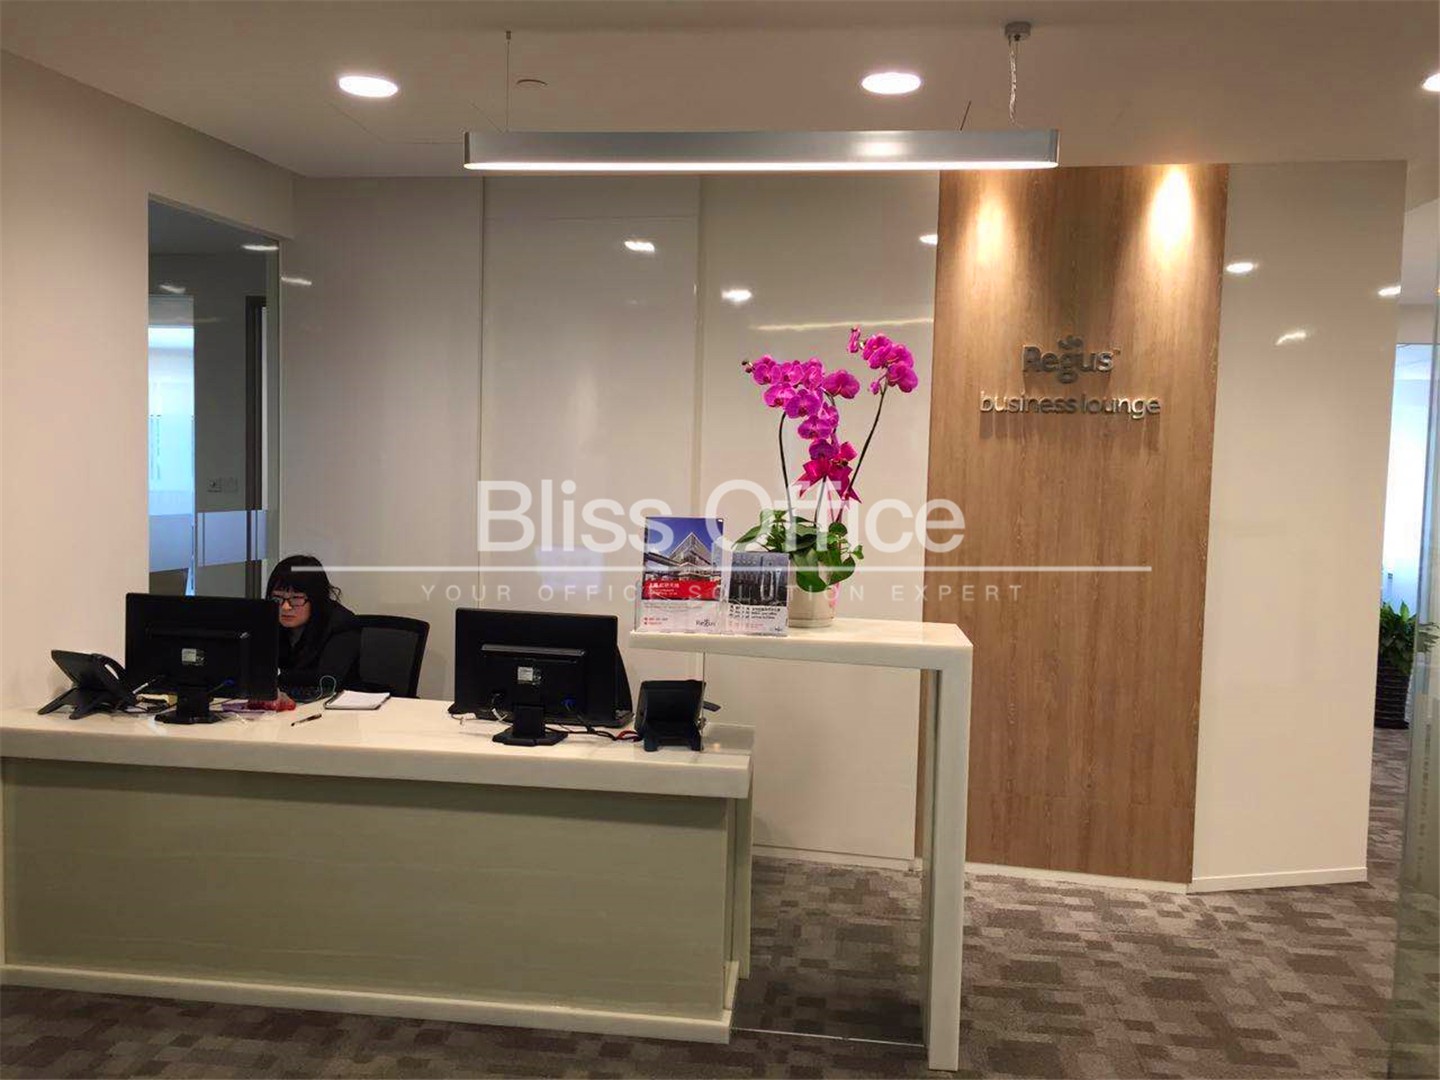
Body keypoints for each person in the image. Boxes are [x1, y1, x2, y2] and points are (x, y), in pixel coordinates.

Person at [265, 554, 360, 691]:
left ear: (316, 599)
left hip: (334, 699)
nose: (285, 607)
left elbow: (327, 678)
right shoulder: (269, 621)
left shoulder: (341, 624)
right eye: (278, 598)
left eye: (296, 598)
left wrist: (276, 675)